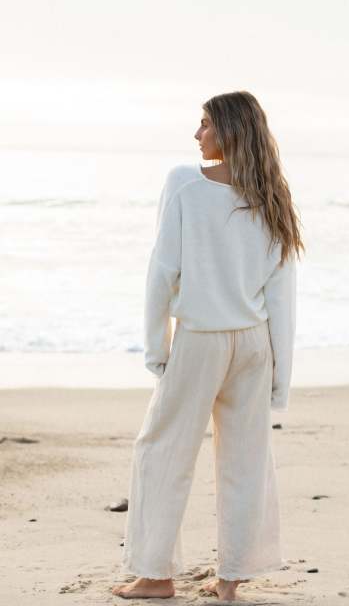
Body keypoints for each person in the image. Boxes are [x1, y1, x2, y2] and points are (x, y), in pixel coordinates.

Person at [112, 90, 304, 601]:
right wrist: (280, 378)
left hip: (199, 341)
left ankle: (155, 575)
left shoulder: (184, 183)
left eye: (205, 124)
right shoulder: (273, 196)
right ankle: (230, 580)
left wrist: (156, 348)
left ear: (230, 130)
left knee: (161, 452)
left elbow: (162, 272)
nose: (197, 134)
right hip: (254, 346)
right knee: (246, 461)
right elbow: (281, 297)